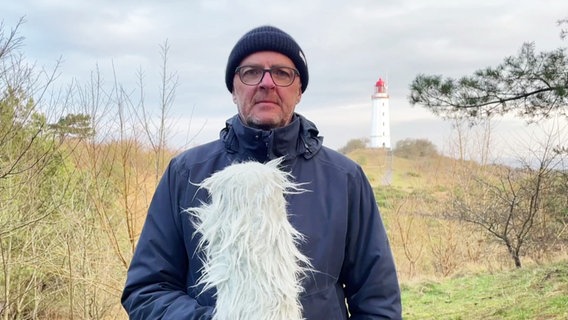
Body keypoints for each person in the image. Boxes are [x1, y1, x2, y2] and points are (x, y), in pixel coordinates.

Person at [121, 25, 402, 319]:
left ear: (300, 90)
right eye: (251, 72)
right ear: (233, 88)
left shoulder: (344, 179)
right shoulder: (186, 173)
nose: (267, 83)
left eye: (282, 73)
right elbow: (147, 289)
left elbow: (378, 300)